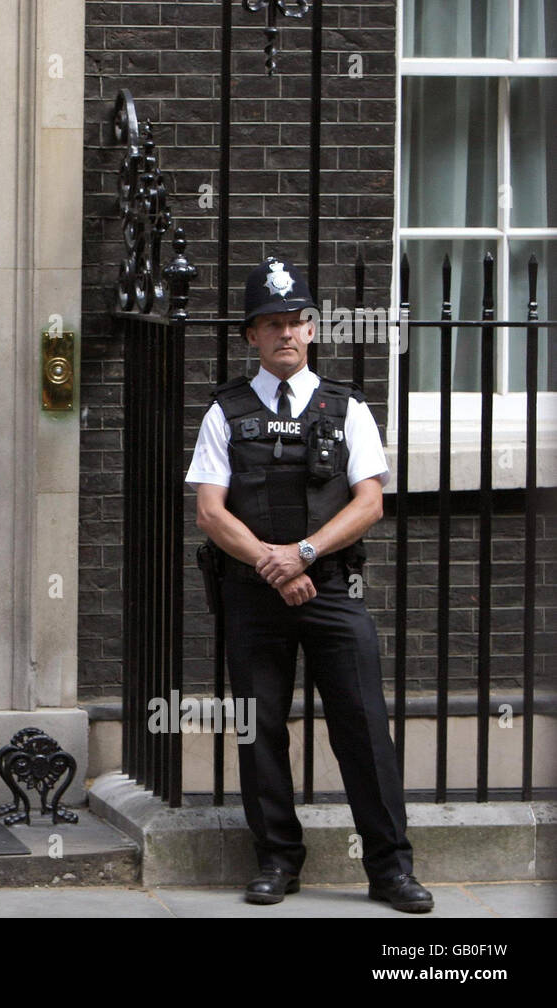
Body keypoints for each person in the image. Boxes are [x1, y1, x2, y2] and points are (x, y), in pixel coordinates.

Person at [185, 257, 433, 913]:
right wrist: (273, 564)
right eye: (271, 324)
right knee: (261, 729)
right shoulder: (226, 412)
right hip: (253, 595)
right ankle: (276, 862)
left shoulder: (347, 407)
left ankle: (389, 869)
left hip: (333, 593)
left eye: (296, 320)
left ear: (313, 329)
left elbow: (370, 502)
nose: (286, 333)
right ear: (250, 337)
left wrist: (301, 553)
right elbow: (211, 511)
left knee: (363, 727)